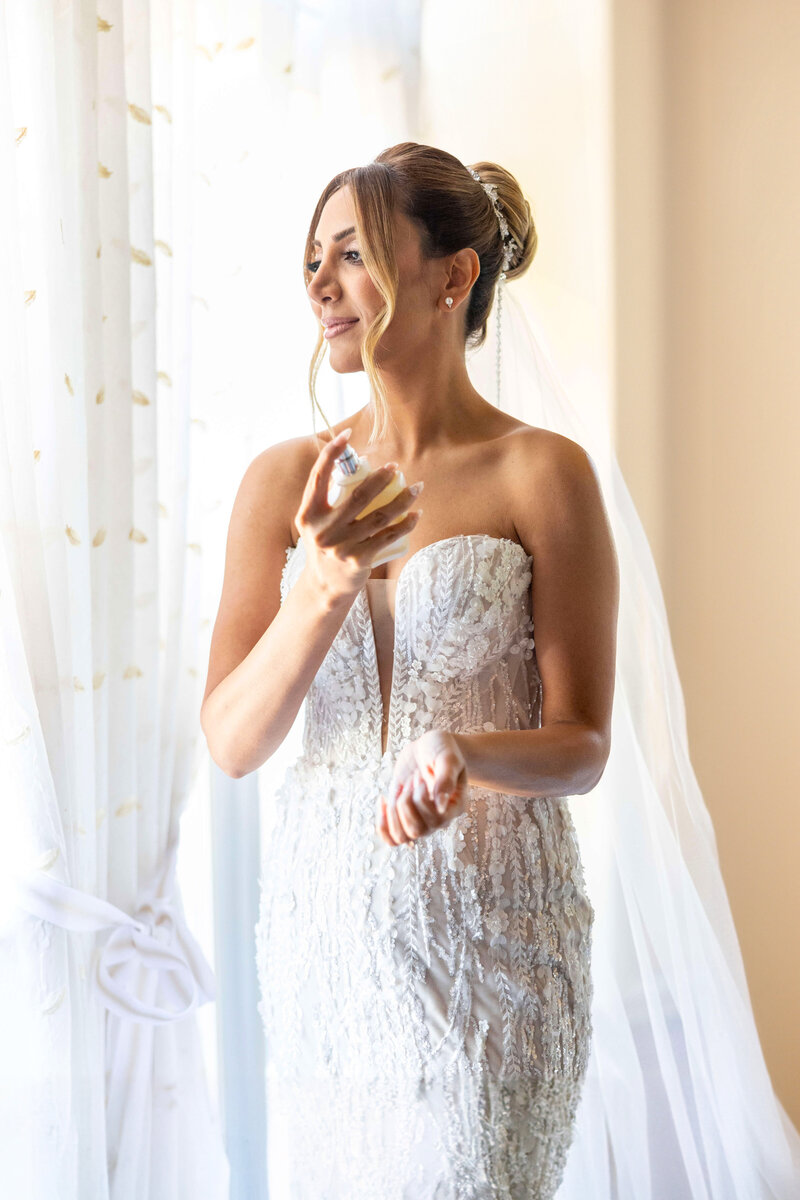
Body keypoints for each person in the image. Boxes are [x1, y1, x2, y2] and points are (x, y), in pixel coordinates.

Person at [201, 142, 618, 1198]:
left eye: (352, 251)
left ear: (452, 275)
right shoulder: (281, 482)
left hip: (495, 952)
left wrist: (463, 754)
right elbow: (232, 740)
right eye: (312, 259)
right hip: (324, 952)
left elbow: (580, 743)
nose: (319, 282)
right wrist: (323, 582)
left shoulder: (540, 472)